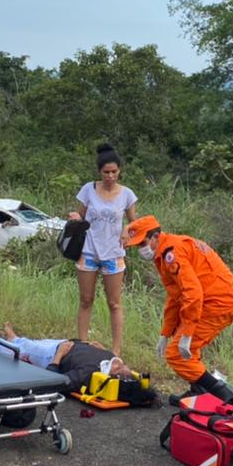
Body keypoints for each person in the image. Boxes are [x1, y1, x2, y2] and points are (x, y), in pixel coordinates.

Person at [122, 215, 233, 405]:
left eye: (143, 243)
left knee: (177, 354)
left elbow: (192, 293)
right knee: (188, 351)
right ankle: (198, 392)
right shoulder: (164, 253)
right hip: (213, 298)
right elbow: (175, 297)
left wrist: (186, 332)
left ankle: (228, 398)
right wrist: (166, 333)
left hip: (219, 301)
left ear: (156, 236)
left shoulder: (172, 253)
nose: (141, 249)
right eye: (138, 246)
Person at [70, 143, 137, 355]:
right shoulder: (89, 189)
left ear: (119, 171)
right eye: (106, 172)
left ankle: (116, 351)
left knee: (114, 303)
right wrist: (75, 218)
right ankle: (82, 345)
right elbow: (80, 214)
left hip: (113, 254)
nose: (110, 176)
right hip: (89, 251)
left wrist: (127, 228)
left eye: (114, 172)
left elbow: (136, 224)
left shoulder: (127, 194)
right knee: (86, 300)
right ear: (99, 172)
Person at [0, 321, 137, 391]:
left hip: (53, 355)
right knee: (36, 342)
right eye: (122, 365)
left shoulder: (88, 373)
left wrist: (59, 355)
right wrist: (101, 349)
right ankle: (15, 339)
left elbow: (56, 382)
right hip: (66, 344)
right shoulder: (110, 361)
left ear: (111, 378)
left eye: (117, 368)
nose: (117, 364)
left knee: (27, 350)